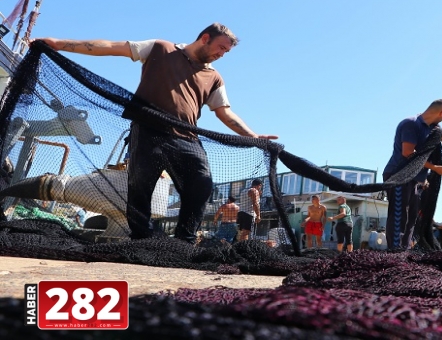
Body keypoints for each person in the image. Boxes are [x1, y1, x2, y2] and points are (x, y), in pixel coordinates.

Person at [36, 23, 277, 244]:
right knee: (140, 187)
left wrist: (253, 136)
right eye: (220, 48)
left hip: (186, 138)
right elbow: (111, 47)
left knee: (201, 186)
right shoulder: (160, 48)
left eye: (226, 52)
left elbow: (225, 113)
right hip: (148, 130)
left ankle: (184, 242)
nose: (222, 54)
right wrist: (58, 44)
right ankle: (142, 240)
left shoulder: (213, 77)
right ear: (205, 38)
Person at [383, 99, 442, 249]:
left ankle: (405, 249)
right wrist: (434, 168)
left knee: (412, 217)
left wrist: (439, 130)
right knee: (399, 214)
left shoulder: (433, 128)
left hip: (415, 178)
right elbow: (408, 153)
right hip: (399, 175)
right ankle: (395, 251)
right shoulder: (411, 124)